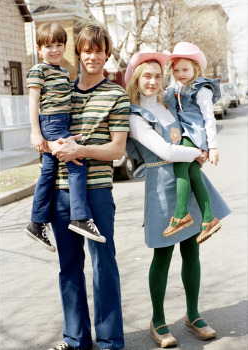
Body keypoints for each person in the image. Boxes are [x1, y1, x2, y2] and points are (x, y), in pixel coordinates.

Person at [125, 51, 230, 348]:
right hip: (161, 184)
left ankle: (193, 315)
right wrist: (200, 153)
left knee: (191, 250)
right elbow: (166, 151)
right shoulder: (135, 115)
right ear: (136, 78)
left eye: (158, 76)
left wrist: (207, 142)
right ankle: (157, 319)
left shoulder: (170, 100)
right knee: (163, 253)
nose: (153, 81)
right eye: (147, 75)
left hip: (188, 181)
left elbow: (198, 103)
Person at [46, 24, 130, 350]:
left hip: (96, 193)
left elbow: (117, 150)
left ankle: (109, 341)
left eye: (99, 50)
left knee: (103, 265)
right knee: (69, 267)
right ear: (78, 53)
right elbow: (47, 131)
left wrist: (80, 150)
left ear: (107, 53)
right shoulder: (62, 92)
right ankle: (75, 339)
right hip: (61, 191)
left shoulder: (116, 95)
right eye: (87, 50)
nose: (93, 56)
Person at [24, 23, 105, 253]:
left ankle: (37, 222)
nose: (55, 50)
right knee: (77, 163)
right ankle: (80, 217)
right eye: (49, 46)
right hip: (51, 122)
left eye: (59, 45)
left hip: (63, 122)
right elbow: (33, 101)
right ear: (40, 48)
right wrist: (35, 131)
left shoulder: (62, 72)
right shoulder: (39, 70)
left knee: (48, 173)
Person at [163, 42, 222, 244]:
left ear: (196, 68)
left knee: (181, 167)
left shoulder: (201, 89)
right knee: (193, 173)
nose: (181, 73)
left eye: (185, 69)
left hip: (194, 135)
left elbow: (209, 119)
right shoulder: (177, 87)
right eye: (176, 69)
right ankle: (208, 219)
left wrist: (212, 147)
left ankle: (181, 214)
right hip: (184, 134)